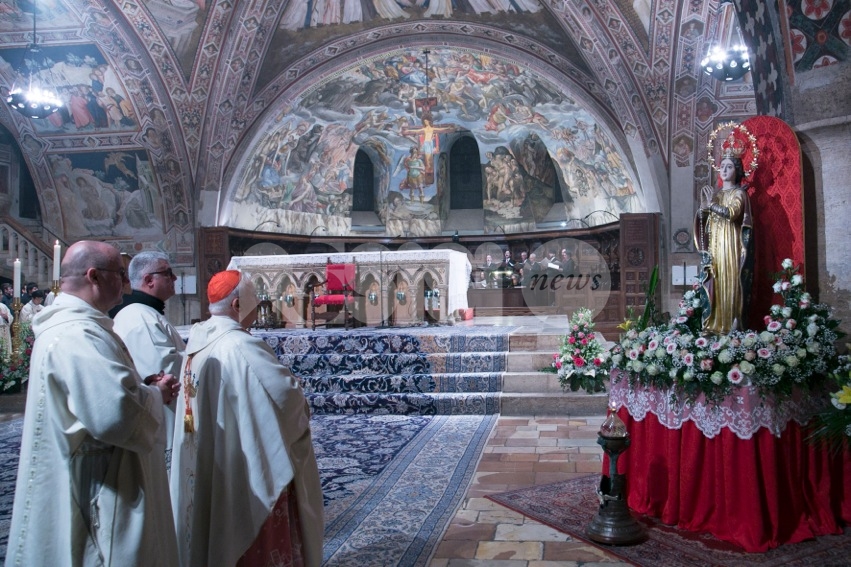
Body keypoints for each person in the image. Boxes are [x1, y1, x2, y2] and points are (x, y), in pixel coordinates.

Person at [5, 240, 180, 567]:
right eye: (120, 274)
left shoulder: (77, 326)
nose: (126, 283)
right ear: (94, 276)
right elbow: (115, 415)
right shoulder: (78, 334)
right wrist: (156, 394)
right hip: (97, 482)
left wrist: (143, 387)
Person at [171, 270, 324, 567]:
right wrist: (298, 392)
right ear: (237, 304)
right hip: (243, 466)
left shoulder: (197, 343)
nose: (261, 307)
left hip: (213, 454)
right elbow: (287, 398)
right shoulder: (240, 346)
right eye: (256, 300)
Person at [113, 251, 185, 471]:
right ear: (149, 280)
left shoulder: (145, 313)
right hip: (163, 416)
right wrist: (203, 355)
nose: (174, 278)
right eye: (168, 273)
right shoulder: (139, 318)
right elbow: (164, 370)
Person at [694, 152, 754, 333]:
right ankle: (715, 323)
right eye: (722, 167)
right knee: (716, 280)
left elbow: (732, 213)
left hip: (731, 244)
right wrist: (703, 209)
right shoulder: (717, 194)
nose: (725, 170)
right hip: (716, 244)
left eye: (729, 166)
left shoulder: (739, 193)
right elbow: (706, 223)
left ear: (737, 170)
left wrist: (711, 205)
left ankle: (731, 325)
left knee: (731, 280)